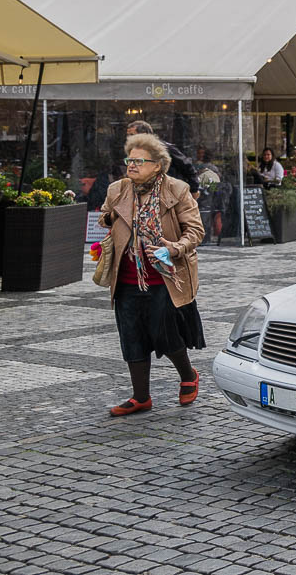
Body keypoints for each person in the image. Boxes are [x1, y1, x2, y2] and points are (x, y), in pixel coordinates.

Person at [99, 132, 204, 416]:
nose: (131, 165)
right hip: (127, 276)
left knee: (164, 334)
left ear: (157, 165)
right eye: (129, 160)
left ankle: (188, 376)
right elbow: (105, 215)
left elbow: (195, 231)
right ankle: (141, 397)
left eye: (139, 161)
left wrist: (176, 248)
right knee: (131, 336)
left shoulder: (177, 190)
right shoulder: (118, 189)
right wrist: (111, 217)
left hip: (165, 277)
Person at [127, 121, 198, 195]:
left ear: (144, 134)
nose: (128, 138)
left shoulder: (163, 148)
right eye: (128, 135)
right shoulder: (133, 150)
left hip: (167, 193)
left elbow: (187, 167)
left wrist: (193, 190)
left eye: (132, 135)